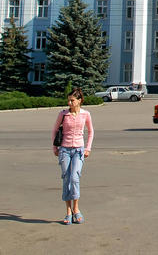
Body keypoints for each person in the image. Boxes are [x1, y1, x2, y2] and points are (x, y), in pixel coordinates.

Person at [52, 88, 94, 225]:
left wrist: (88, 148)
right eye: (69, 100)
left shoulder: (85, 114)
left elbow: (91, 131)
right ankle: (68, 212)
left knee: (75, 178)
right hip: (64, 150)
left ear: (79, 101)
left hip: (78, 150)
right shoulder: (63, 114)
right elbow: (54, 130)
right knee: (66, 178)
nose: (69, 103)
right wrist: (55, 147)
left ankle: (76, 209)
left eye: (72, 100)